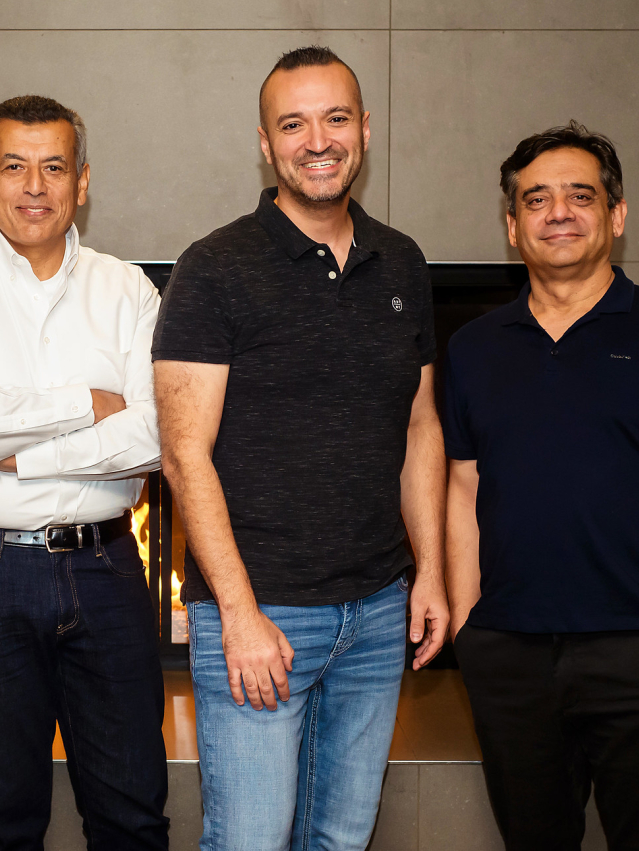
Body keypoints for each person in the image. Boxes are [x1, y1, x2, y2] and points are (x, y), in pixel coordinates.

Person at [152, 46, 449, 850]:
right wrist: (240, 615)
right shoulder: (213, 268)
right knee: (250, 841)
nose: (317, 139)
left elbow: (422, 425)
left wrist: (432, 572)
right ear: (265, 140)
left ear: (364, 129)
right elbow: (184, 455)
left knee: (341, 840)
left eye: (335, 117)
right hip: (263, 614)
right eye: (294, 123)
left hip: (380, 613)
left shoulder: (404, 261)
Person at [443, 121, 639, 850]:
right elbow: (462, 490)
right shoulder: (473, 347)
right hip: (509, 654)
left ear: (616, 215)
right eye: (537, 199)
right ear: (512, 225)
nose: (559, 212)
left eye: (580, 196)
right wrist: (468, 626)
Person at [0, 95, 168, 850]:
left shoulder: (129, 290)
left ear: (83, 181)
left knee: (133, 813)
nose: (35, 186)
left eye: (54, 167)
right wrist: (88, 402)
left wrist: (17, 445)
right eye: (14, 166)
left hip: (107, 568)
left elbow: (154, 433)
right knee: (4, 818)